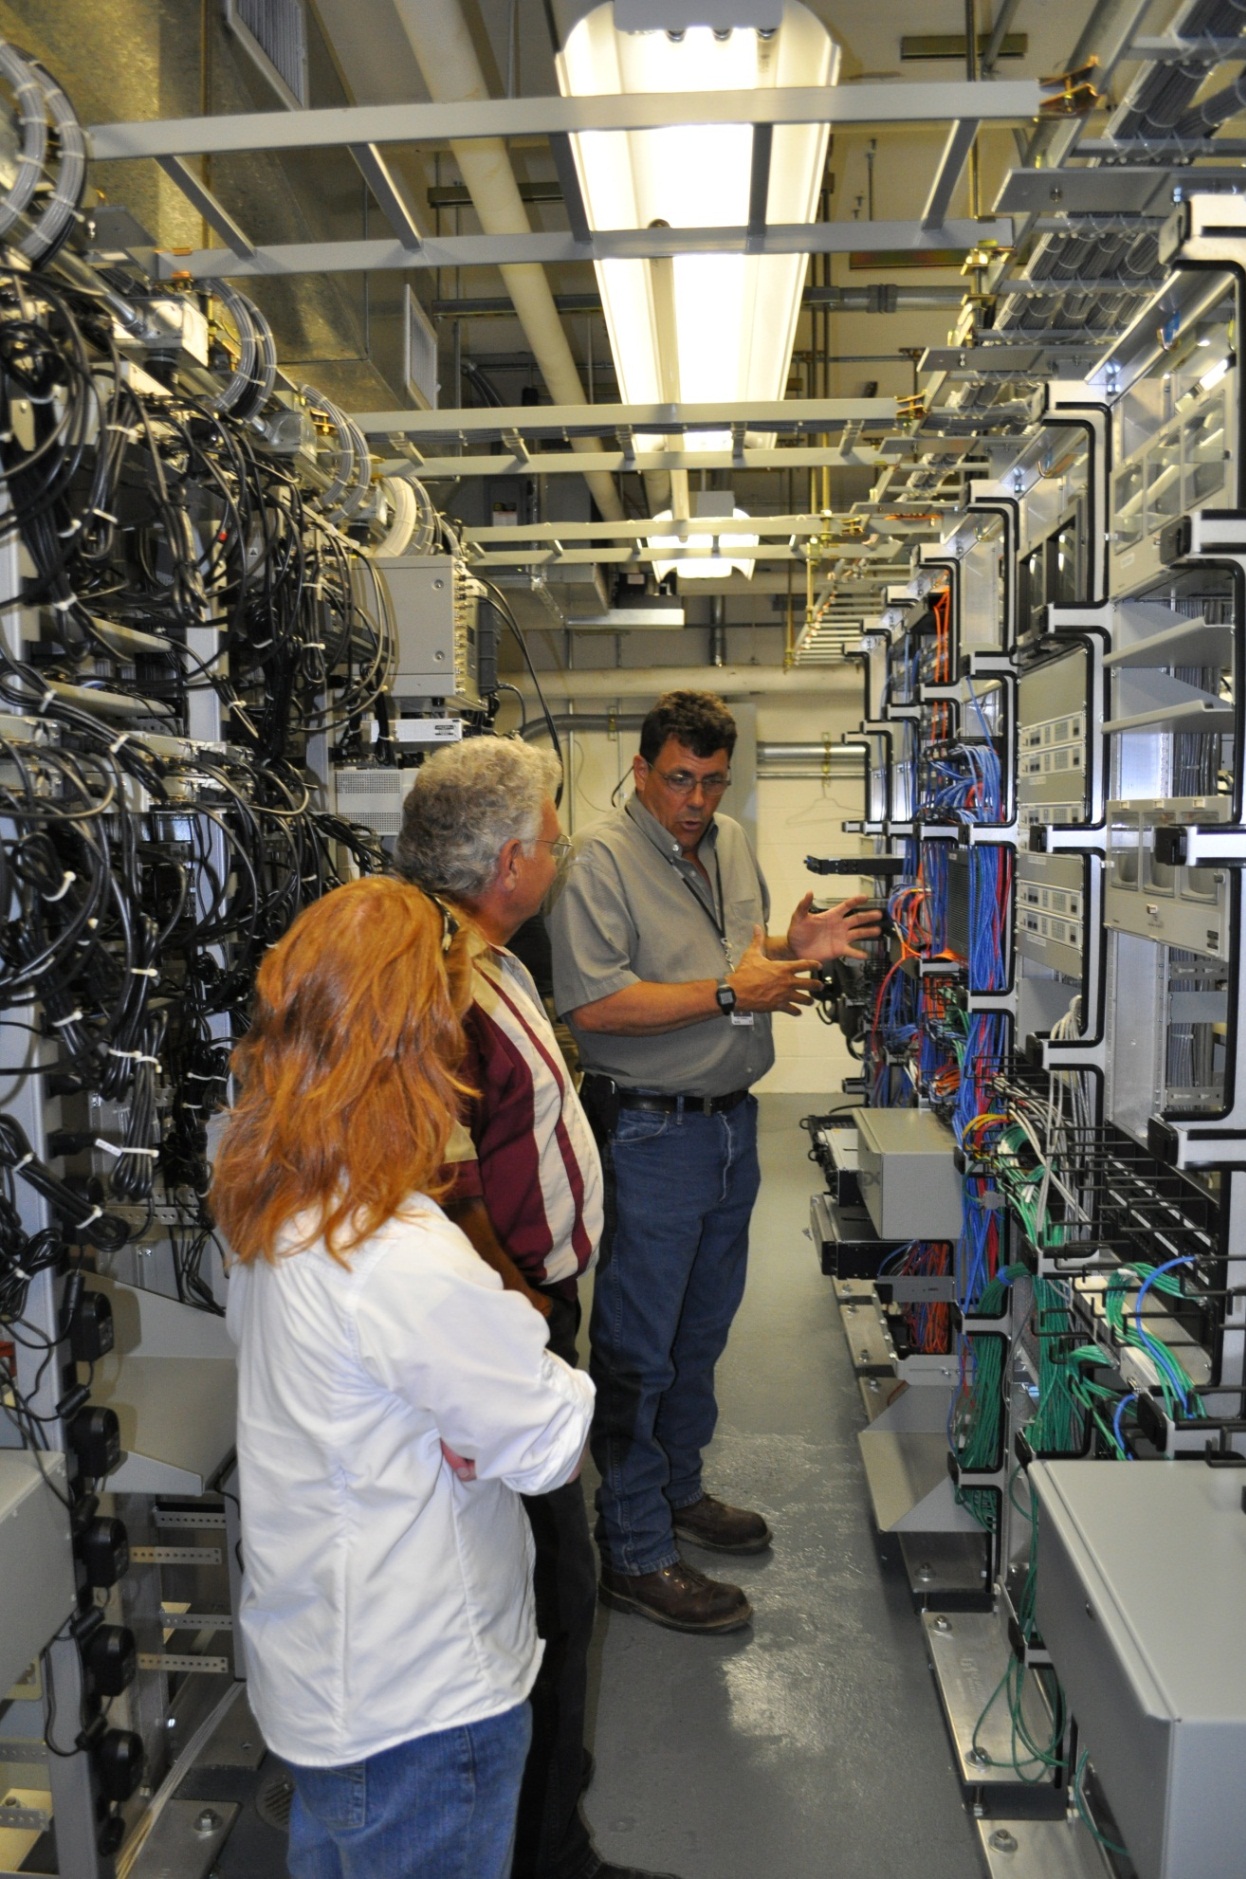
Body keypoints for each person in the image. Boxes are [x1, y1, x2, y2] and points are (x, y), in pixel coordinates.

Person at [212, 876, 594, 1879]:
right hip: (426, 1708)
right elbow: (549, 1439)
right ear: (417, 1042)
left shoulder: (269, 1199)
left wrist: (462, 1392)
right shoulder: (398, 1247)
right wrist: (513, 1330)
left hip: (322, 1686)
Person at [396, 737, 679, 1879]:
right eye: (553, 836)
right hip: (504, 1321)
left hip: (531, 1306)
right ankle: (543, 1845)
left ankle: (544, 1787)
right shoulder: (438, 985)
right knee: (550, 1584)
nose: (560, 851)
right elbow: (445, 1191)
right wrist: (522, 1324)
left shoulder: (500, 959)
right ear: (510, 859)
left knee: (542, 1581)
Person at [549, 690, 880, 1635]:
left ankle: (679, 1489)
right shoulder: (599, 863)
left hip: (732, 1126)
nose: (696, 800)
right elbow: (598, 1007)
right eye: (680, 780)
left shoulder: (730, 844)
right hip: (653, 1131)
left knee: (701, 1336)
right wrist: (739, 983)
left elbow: (731, 955)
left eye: (712, 782)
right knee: (639, 1347)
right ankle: (636, 1544)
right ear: (643, 769)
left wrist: (789, 946)